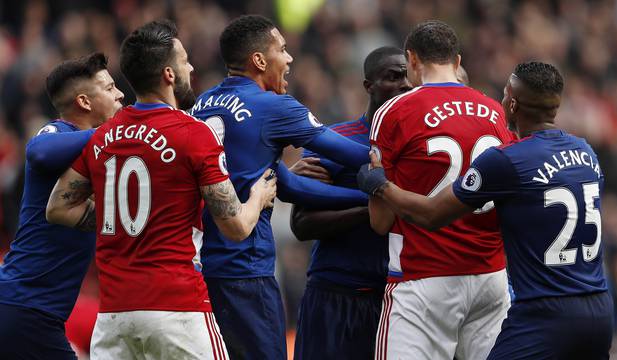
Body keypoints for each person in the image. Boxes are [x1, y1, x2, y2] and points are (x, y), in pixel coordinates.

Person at [46, 20, 276, 360]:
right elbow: (236, 227)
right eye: (185, 61)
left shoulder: (102, 137)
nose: (192, 67)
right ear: (169, 74)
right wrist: (258, 196)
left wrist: (120, 218)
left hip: (113, 317)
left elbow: (58, 208)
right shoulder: (194, 133)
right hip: (178, 310)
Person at [358, 61, 613, 360]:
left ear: (513, 104)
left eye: (505, 94)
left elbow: (430, 214)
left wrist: (380, 185)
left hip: (543, 313)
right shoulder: (586, 152)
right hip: (599, 309)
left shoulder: (508, 160)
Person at [190, 15, 371, 359]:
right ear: (259, 60)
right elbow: (348, 153)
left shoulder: (203, 104)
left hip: (204, 271)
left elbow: (285, 185)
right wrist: (388, 179)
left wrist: (362, 200)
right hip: (247, 271)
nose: (289, 59)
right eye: (282, 50)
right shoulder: (274, 107)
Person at [362, 21, 514, 360]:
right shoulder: (495, 111)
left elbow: (380, 222)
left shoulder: (394, 112)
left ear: (412, 60)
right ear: (457, 62)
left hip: (424, 277)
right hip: (490, 276)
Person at [290, 46, 411, 360]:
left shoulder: (420, 147)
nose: (405, 85)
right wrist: (373, 207)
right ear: (368, 86)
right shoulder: (334, 139)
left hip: (397, 300)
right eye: (393, 77)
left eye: (409, 78)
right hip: (336, 294)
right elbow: (301, 225)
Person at [0, 53, 123, 359]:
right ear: (84, 101)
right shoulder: (58, 133)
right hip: (25, 306)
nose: (120, 93)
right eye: (109, 88)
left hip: (33, 310)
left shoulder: (95, 151)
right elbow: (38, 151)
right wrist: (114, 133)